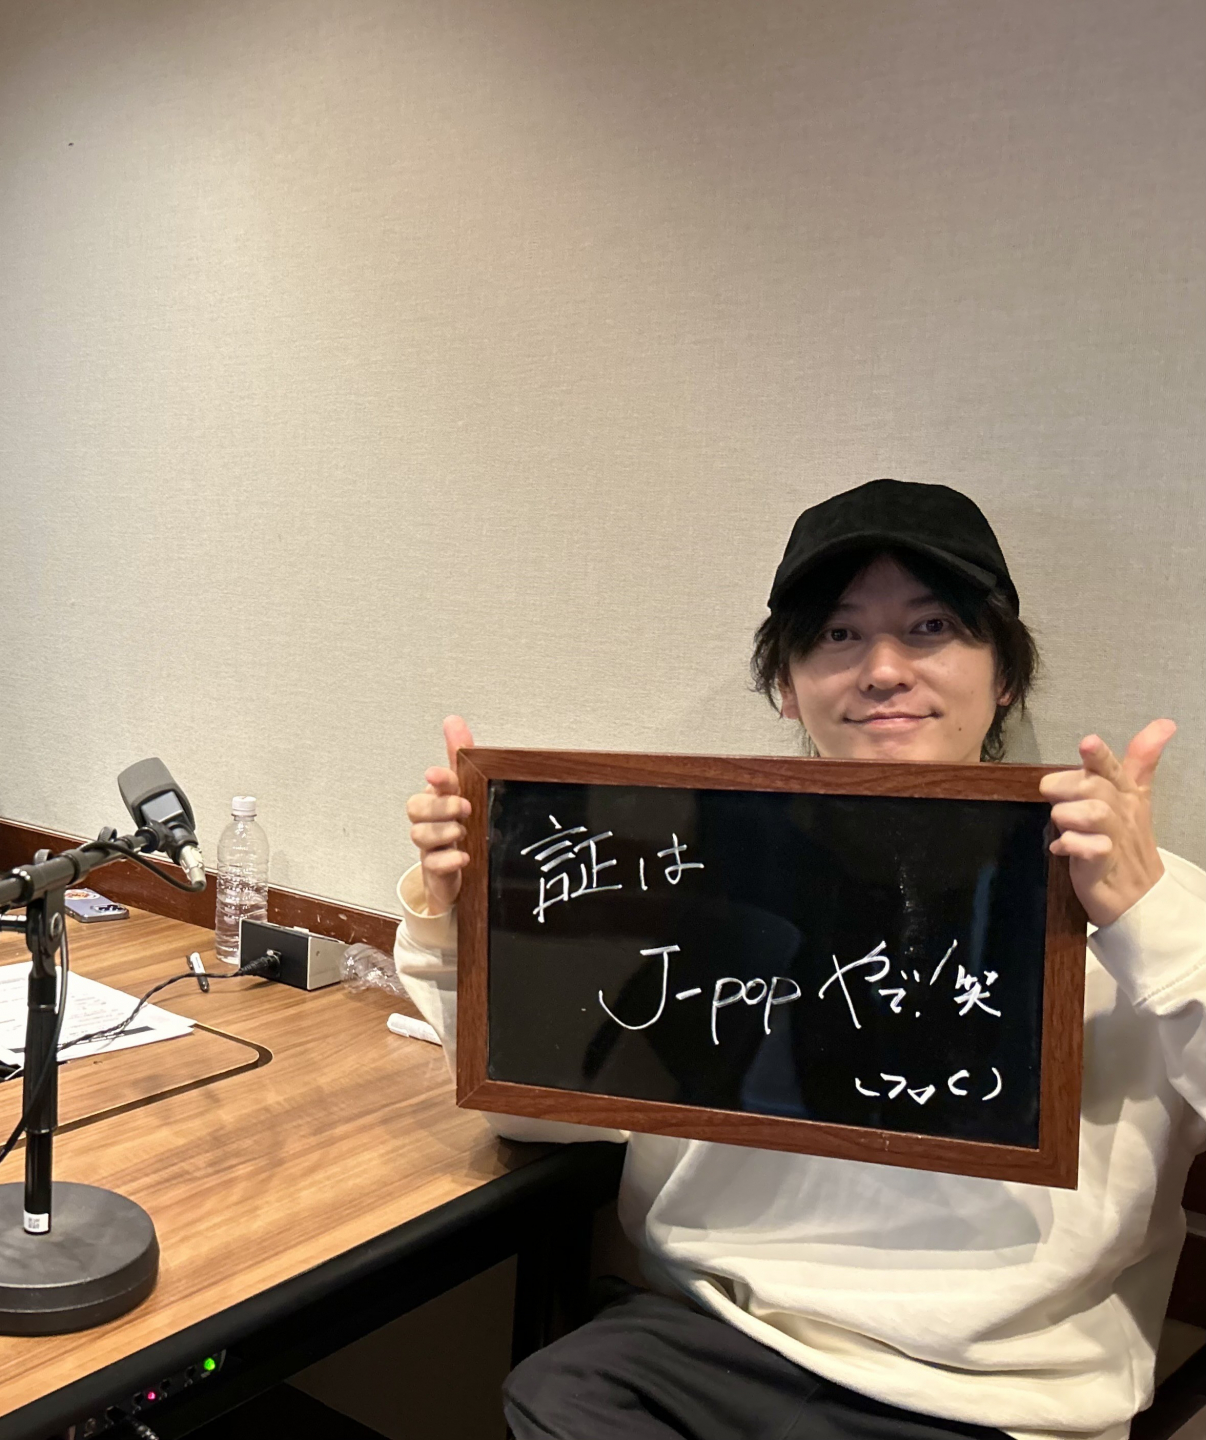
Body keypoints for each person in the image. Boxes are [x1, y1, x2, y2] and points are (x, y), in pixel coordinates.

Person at [399, 479, 1202, 1440]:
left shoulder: (1135, 897)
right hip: (713, 1343)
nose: (885, 670)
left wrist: (1148, 919)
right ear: (787, 685)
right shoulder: (712, 877)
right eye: (837, 635)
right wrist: (461, 918)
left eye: (933, 627)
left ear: (1005, 677)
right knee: (554, 1387)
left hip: (995, 1402)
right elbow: (540, 1114)